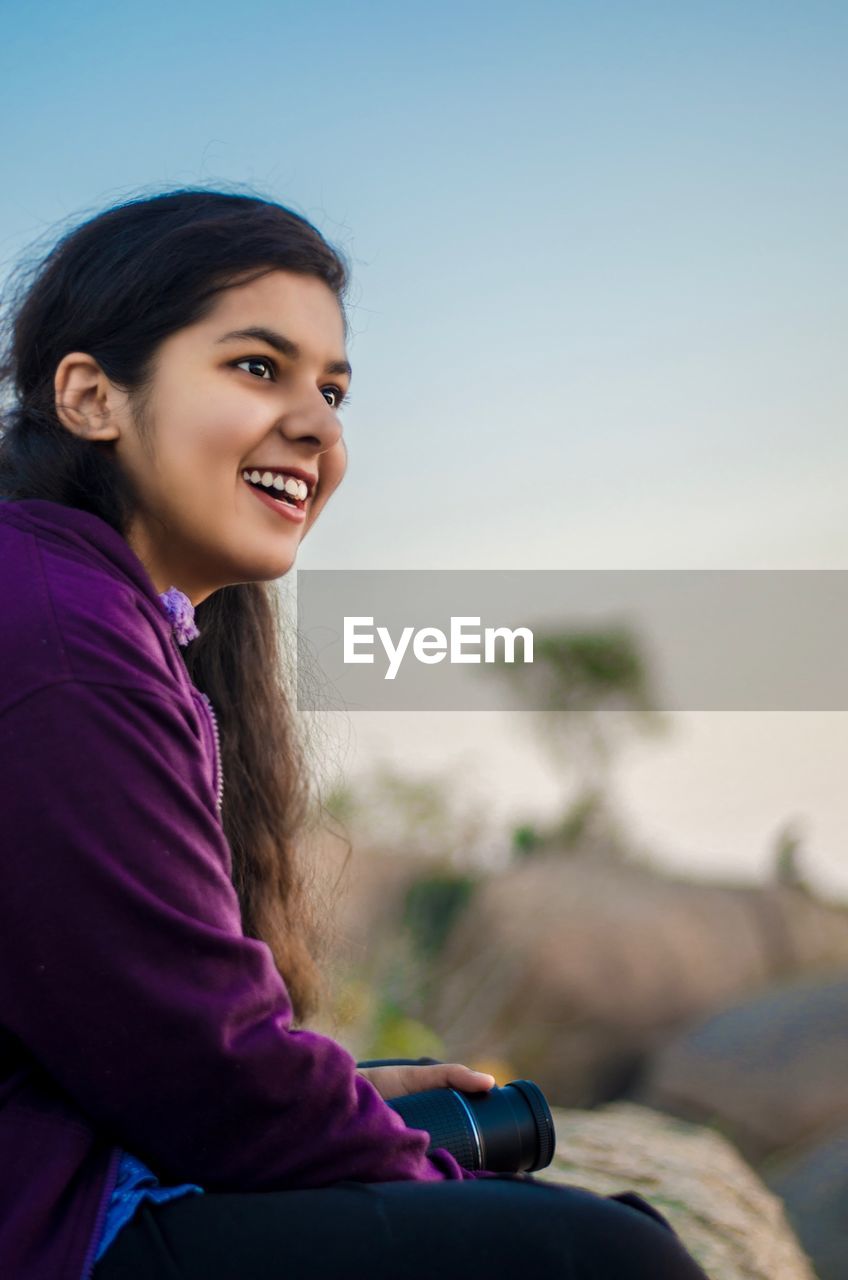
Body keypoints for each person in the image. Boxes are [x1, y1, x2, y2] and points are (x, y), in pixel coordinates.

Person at [0, 187, 710, 1279]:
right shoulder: (64, 642)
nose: (317, 424)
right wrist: (428, 1176)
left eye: (331, 389)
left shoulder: (79, 606)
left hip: (57, 1180)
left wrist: (352, 1096)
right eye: (256, 367)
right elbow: (201, 1070)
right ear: (92, 396)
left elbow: (125, 1032)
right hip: (51, 1228)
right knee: (607, 1255)